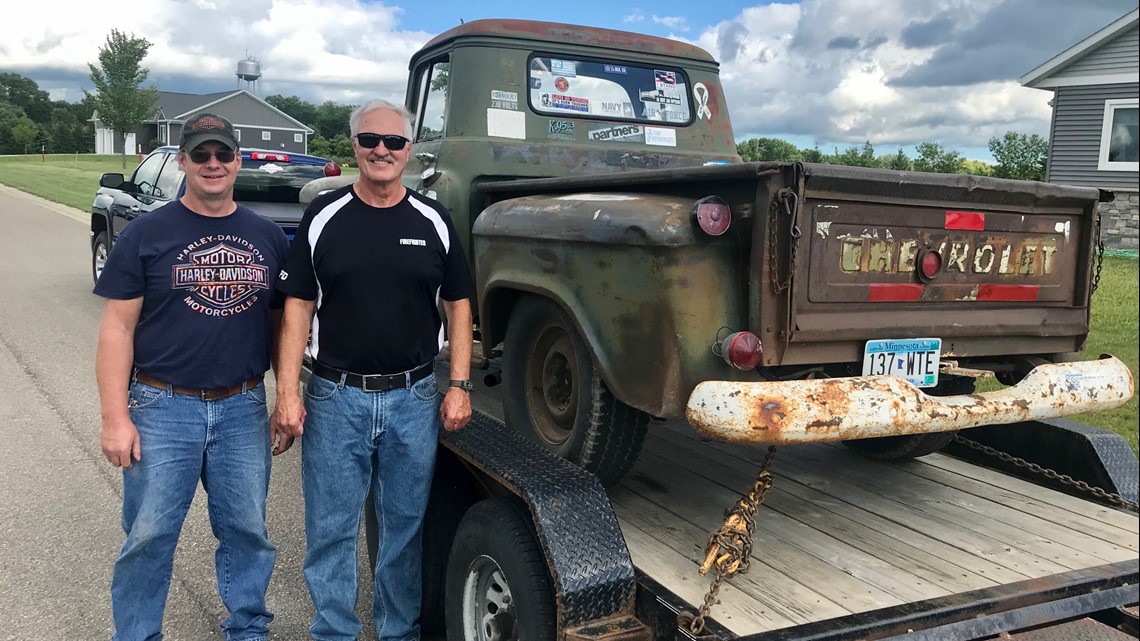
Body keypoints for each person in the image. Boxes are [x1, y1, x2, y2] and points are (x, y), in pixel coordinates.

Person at [272, 98, 475, 641]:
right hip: (335, 398)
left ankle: (397, 632)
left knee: (403, 531)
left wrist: (458, 384)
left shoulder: (434, 219)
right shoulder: (324, 216)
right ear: (355, 147)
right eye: (370, 141)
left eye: (394, 142)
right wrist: (287, 392)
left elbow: (459, 305)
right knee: (331, 532)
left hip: (414, 398)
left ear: (410, 151)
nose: (381, 151)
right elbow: (297, 306)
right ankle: (334, 632)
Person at [94, 112, 292, 641]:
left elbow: (281, 327)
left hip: (242, 406)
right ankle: (136, 634)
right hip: (162, 406)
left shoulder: (268, 237)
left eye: (222, 154)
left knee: (248, 532)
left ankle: (247, 629)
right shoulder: (146, 234)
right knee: (149, 535)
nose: (212, 164)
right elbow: (117, 329)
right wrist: (115, 417)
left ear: (238, 161)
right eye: (200, 155)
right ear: (182, 161)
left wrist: (284, 396)